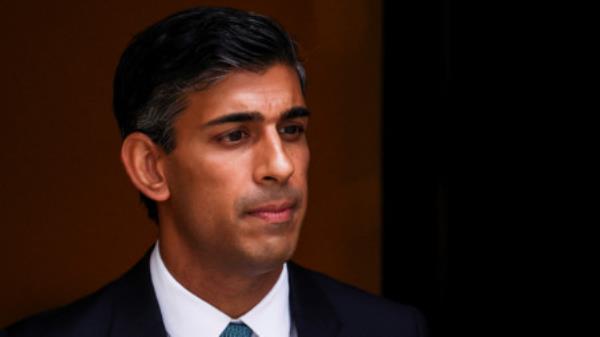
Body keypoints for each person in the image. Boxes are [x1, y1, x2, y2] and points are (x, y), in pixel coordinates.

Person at [2, 6, 427, 337]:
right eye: (235, 136)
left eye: (292, 129)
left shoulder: (394, 330)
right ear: (150, 167)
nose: (281, 166)